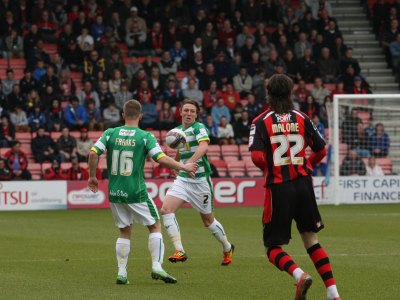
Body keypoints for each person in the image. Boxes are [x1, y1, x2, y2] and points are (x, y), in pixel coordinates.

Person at [249, 74, 341, 300]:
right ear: (290, 94)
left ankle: (299, 276)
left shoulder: (260, 121)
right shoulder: (302, 117)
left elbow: (257, 158)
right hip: (303, 184)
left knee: (272, 248)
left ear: (269, 94)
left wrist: (275, 165)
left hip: (279, 188)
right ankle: (333, 294)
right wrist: (305, 163)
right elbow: (321, 150)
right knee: (311, 240)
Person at [87, 99, 198, 285]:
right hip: (135, 191)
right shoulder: (145, 136)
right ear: (140, 116)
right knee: (154, 225)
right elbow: (160, 158)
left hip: (115, 191)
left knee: (124, 231)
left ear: (123, 115)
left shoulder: (110, 133)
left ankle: (122, 273)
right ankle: (157, 266)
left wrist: (92, 176)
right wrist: (183, 166)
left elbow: (92, 153)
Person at [161, 99, 235, 266]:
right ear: (180, 111)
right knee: (166, 209)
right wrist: (177, 164)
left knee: (208, 221)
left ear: (196, 114)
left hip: (200, 181)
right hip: (183, 179)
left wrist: (188, 164)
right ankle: (179, 250)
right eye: (186, 110)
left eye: (192, 111)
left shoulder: (199, 128)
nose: (188, 113)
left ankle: (227, 246)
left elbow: (203, 147)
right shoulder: (177, 132)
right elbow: (181, 151)